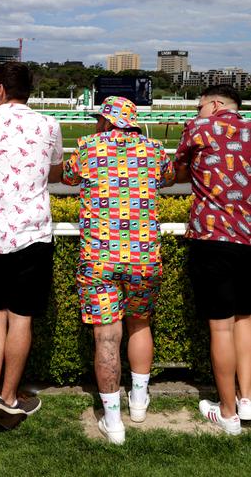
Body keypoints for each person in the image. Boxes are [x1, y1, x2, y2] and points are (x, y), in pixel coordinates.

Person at [62, 96, 175, 444]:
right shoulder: (154, 149)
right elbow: (168, 179)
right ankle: (139, 403)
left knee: (106, 336)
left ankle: (113, 423)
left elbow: (68, 178)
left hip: (100, 258)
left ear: (107, 121)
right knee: (140, 324)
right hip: (143, 257)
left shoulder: (88, 146)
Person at [0, 62, 64, 430]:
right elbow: (55, 171)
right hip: (34, 233)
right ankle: (8, 396)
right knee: (21, 317)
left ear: (1, 89)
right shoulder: (48, 124)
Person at [174, 84, 251, 435]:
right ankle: (247, 399)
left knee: (220, 326)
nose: (197, 111)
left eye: (200, 105)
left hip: (213, 236)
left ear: (216, 104)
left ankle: (227, 412)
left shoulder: (200, 128)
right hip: (249, 238)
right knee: (244, 321)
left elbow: (176, 171)